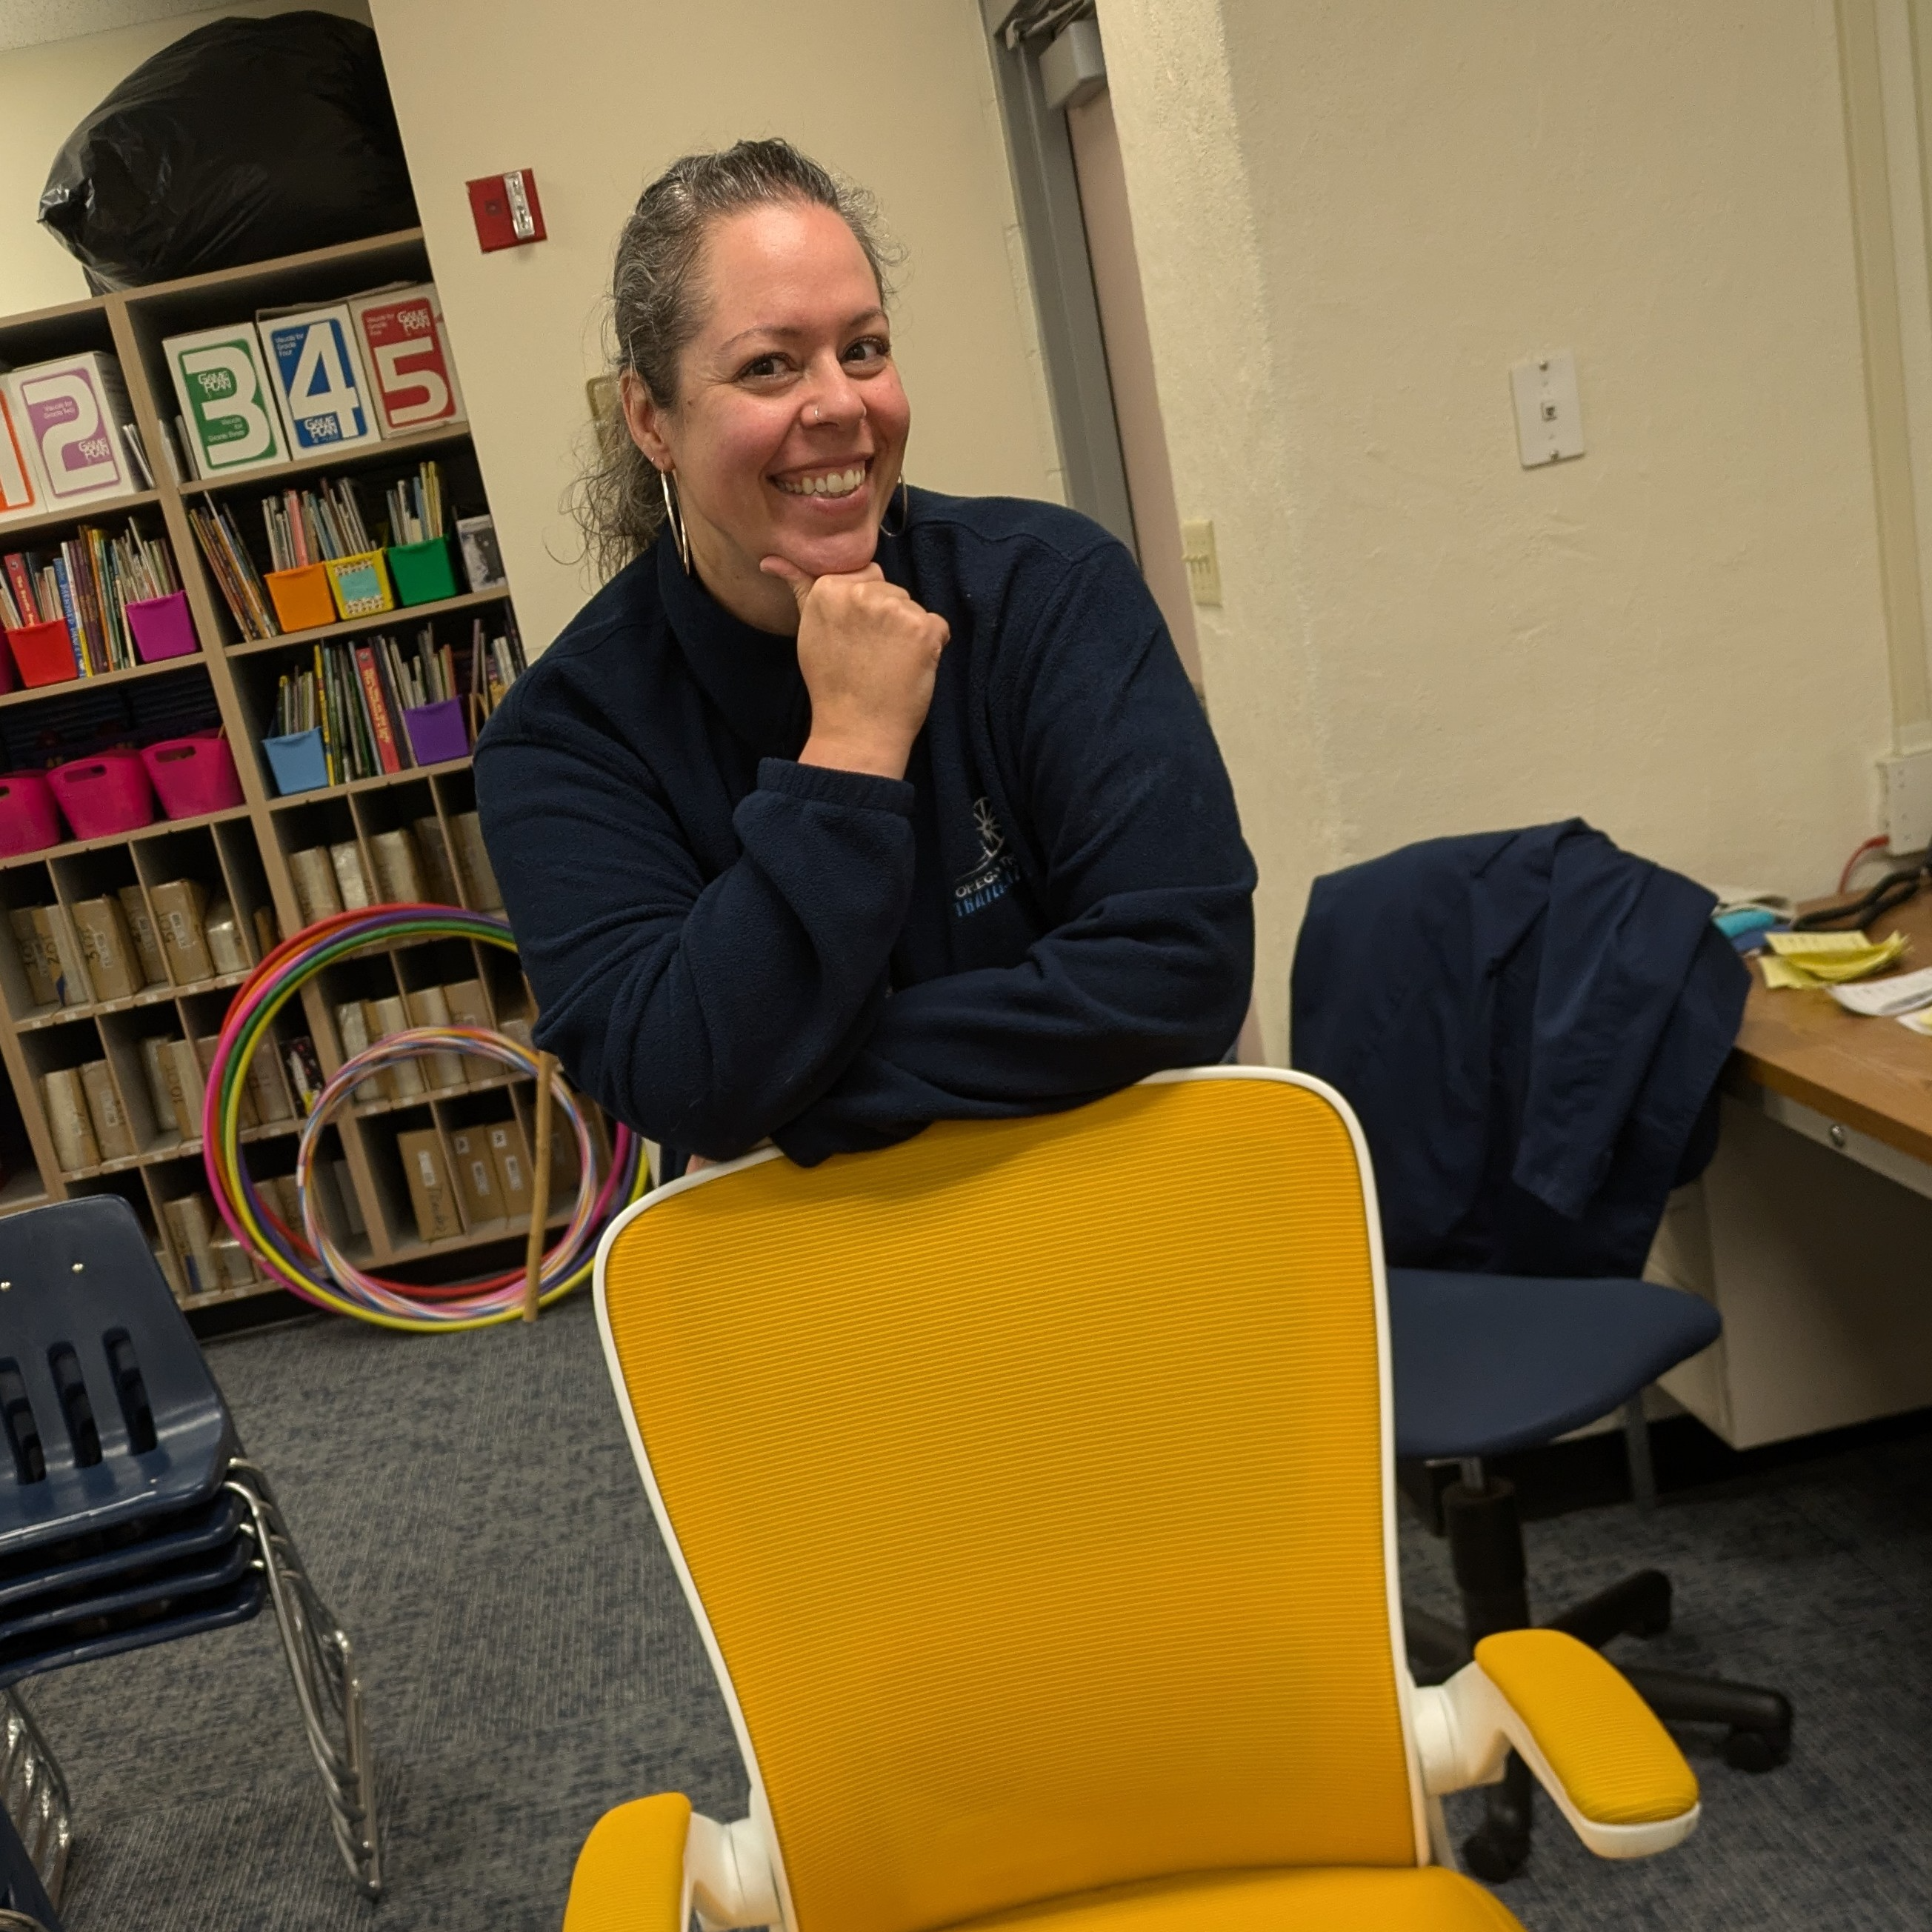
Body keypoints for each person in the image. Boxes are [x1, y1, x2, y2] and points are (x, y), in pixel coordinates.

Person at [474, 139, 1255, 1176]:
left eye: (866, 349)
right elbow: (678, 1077)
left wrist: (793, 1090)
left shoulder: (1049, 590)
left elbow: (1182, 972)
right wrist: (849, 748)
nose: (840, 403)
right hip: (805, 1290)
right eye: (769, 364)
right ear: (650, 418)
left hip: (1104, 1214)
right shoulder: (567, 737)